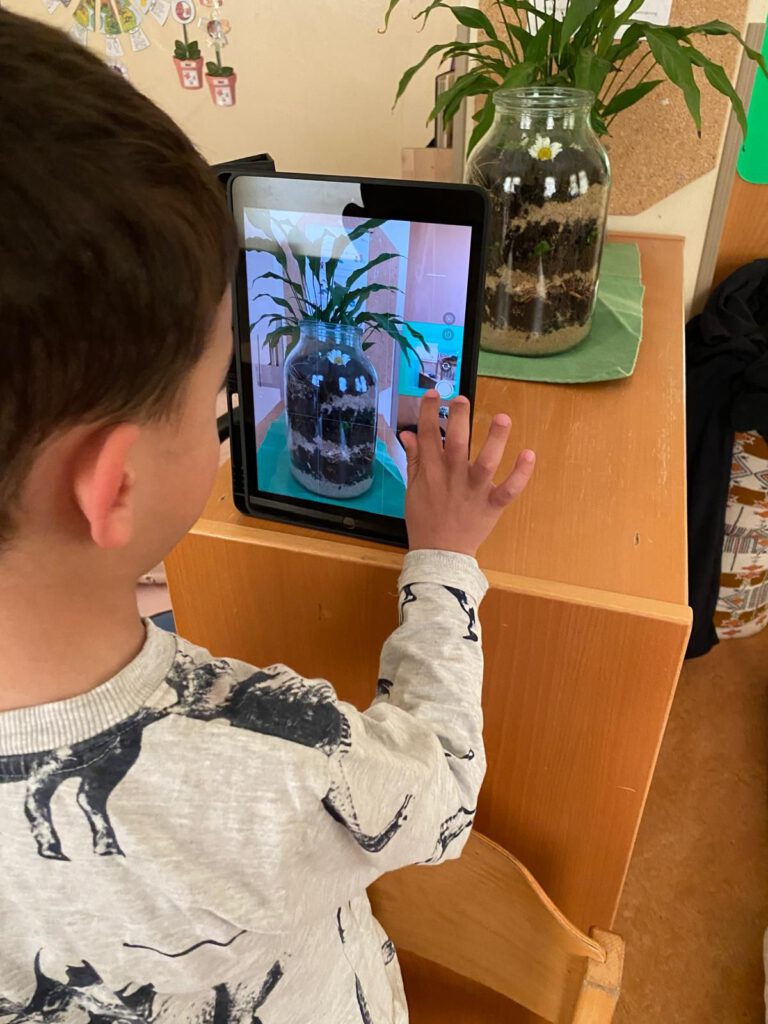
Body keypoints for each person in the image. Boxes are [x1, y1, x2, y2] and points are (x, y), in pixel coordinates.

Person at [0, 9, 535, 1023]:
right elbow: (443, 792)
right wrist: (444, 563)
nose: (229, 415)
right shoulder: (274, 753)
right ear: (114, 484)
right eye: (218, 398)